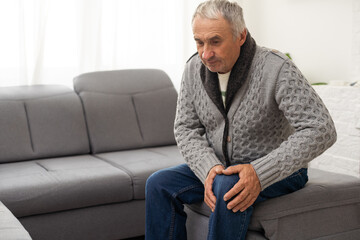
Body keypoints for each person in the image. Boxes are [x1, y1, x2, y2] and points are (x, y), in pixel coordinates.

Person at [145, 0, 337, 239]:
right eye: (199, 41)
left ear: (241, 36)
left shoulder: (277, 69)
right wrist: (210, 169)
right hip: (221, 167)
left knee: (228, 188)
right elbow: (185, 128)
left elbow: (321, 128)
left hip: (279, 170)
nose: (205, 53)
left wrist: (259, 172)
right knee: (159, 184)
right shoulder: (193, 68)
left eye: (215, 41)